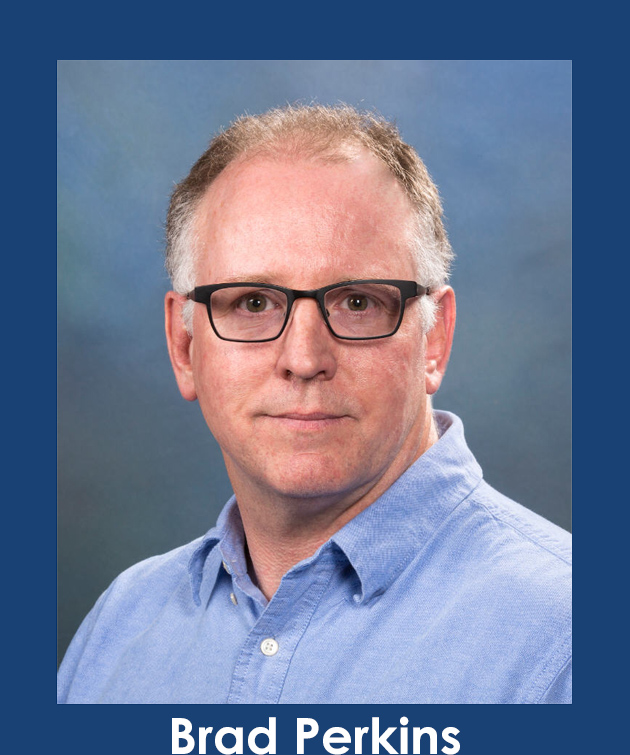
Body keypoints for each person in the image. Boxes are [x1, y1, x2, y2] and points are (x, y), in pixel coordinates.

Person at [57, 104, 571, 704]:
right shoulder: (119, 631)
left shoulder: (568, 641)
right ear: (184, 344)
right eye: (252, 303)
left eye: (357, 302)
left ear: (434, 339)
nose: (303, 358)